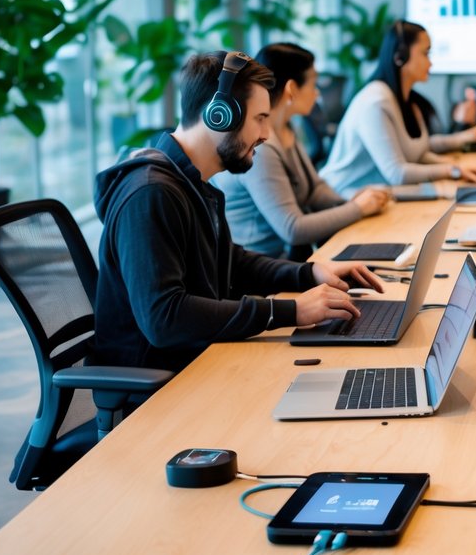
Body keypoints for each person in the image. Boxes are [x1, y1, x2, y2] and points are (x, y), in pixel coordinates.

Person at [94, 51, 383, 372]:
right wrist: (289, 311)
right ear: (219, 115)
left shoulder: (192, 182)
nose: (266, 134)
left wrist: (309, 273)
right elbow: (164, 318)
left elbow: (231, 260)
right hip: (160, 387)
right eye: (260, 118)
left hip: (203, 357)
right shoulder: (151, 193)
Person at [212, 42, 390, 259]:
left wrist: (353, 200)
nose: (317, 94)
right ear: (292, 89)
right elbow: (293, 229)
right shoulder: (262, 148)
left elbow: (314, 190)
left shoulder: (286, 128)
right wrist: (357, 209)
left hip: (287, 262)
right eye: (313, 84)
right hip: (263, 271)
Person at [320, 21, 476, 193]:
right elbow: (397, 173)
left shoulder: (406, 99)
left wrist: (467, 143)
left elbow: (420, 150)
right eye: (426, 53)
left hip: (377, 197)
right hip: (343, 198)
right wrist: (452, 170)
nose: (431, 62)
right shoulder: (375, 103)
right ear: (400, 56)